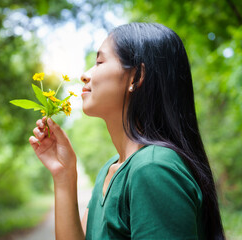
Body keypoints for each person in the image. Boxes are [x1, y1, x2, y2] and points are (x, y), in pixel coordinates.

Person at [29, 22, 225, 239]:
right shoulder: (110, 169)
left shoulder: (153, 168)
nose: (85, 75)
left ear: (136, 77)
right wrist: (64, 175)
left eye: (100, 61)